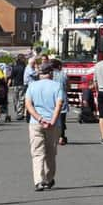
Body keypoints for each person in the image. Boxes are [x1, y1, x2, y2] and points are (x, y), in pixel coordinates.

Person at [24, 62, 64, 191]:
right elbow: (59, 104)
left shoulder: (32, 86)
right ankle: (48, 179)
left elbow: (28, 104)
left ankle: (38, 181)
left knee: (37, 153)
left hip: (36, 123)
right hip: (53, 124)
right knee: (51, 153)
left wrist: (39, 118)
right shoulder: (57, 86)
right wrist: (52, 120)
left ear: (40, 73)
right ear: (51, 73)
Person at [51, 59, 69, 145]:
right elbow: (67, 87)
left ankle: (53, 136)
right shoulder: (63, 74)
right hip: (62, 98)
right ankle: (61, 137)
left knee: (52, 117)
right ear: (59, 66)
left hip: (51, 98)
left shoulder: (49, 75)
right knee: (62, 119)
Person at [8, 54, 27, 120]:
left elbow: (11, 77)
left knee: (16, 99)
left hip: (15, 85)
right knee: (21, 99)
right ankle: (20, 113)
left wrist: (8, 84)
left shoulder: (15, 67)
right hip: (22, 84)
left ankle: (18, 112)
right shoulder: (25, 67)